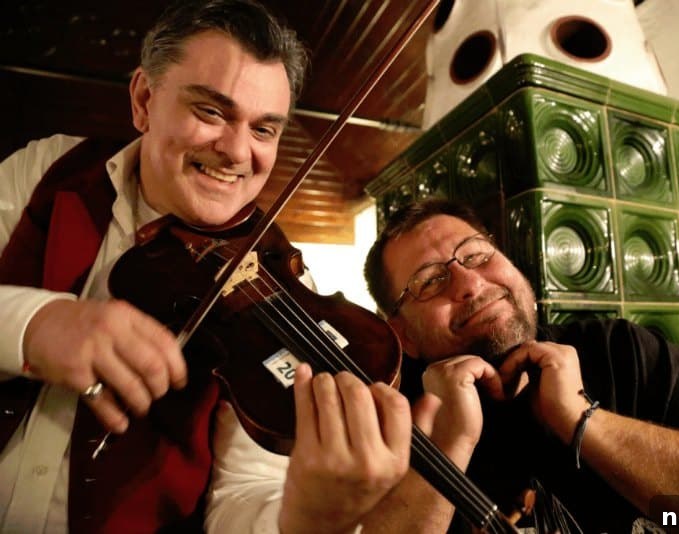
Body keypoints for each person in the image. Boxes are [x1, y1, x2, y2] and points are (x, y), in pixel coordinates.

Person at [0, 1, 413, 532]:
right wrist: (33, 324)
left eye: (265, 129)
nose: (237, 152)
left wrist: (306, 516)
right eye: (211, 112)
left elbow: (244, 492)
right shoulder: (45, 169)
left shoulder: (282, 289)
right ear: (145, 100)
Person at [361, 198, 679, 533]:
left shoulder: (616, 350)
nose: (470, 283)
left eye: (475, 254)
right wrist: (450, 444)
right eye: (430, 280)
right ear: (403, 335)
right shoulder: (398, 424)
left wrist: (582, 420)